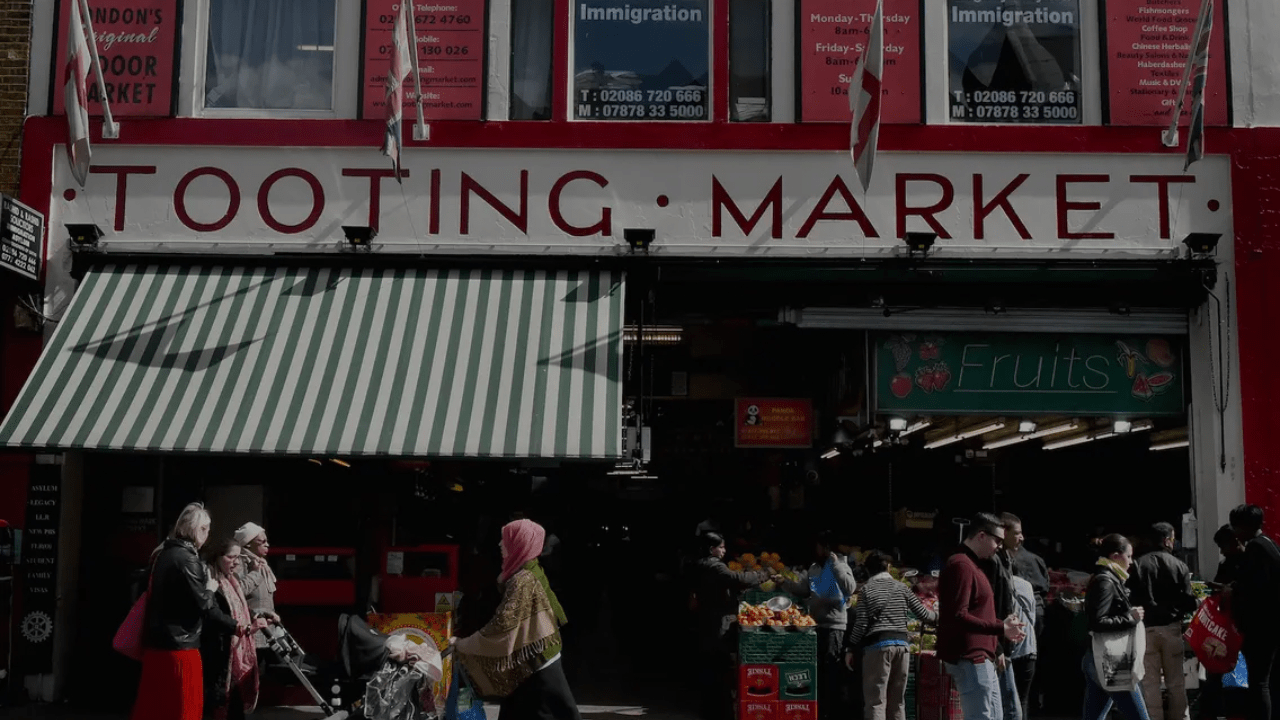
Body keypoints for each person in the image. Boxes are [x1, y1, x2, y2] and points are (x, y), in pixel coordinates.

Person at [455, 519, 582, 720]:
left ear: (520, 544)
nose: (499, 545)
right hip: (532, 662)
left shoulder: (523, 580)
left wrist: (463, 646)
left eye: (505, 540)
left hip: (537, 668)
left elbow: (503, 627)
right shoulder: (529, 570)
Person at [130, 502, 219, 720]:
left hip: (157, 646)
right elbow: (203, 605)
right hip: (181, 649)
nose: (208, 534)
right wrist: (211, 588)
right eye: (205, 528)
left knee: (154, 710)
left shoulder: (162, 554)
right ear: (197, 529)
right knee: (184, 710)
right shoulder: (188, 558)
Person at [937, 513, 1025, 720]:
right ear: (981, 536)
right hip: (971, 658)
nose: (999, 547)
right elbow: (958, 616)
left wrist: (1002, 627)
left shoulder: (970, 564)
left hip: (981, 658)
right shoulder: (961, 565)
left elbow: (971, 614)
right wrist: (1000, 628)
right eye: (997, 540)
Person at [846, 551, 938, 720]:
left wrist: (851, 648)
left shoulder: (866, 590)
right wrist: (940, 617)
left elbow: (861, 625)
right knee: (897, 703)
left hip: (878, 647)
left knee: (876, 702)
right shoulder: (902, 587)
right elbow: (924, 615)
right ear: (888, 568)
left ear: (867, 570)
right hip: (903, 647)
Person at [689, 531, 767, 720]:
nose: (724, 550)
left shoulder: (697, 565)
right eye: (721, 547)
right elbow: (737, 578)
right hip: (716, 625)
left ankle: (708, 710)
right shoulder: (714, 566)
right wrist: (762, 575)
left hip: (704, 622)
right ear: (711, 549)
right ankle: (719, 712)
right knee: (720, 671)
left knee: (708, 671)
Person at [782, 530, 858, 720]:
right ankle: (821, 710)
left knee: (832, 670)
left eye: (818, 546)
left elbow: (850, 587)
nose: (815, 549)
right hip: (816, 627)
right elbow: (804, 589)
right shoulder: (814, 568)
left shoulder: (841, 565)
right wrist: (784, 583)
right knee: (820, 671)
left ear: (826, 548)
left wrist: (836, 565)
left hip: (834, 627)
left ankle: (833, 712)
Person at [1128, 522, 1199, 720]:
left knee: (1150, 683)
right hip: (1171, 629)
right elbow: (1187, 602)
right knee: (1176, 682)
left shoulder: (1138, 564)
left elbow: (1130, 598)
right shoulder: (1180, 565)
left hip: (1146, 631)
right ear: (1168, 540)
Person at [1082, 534, 1150, 720]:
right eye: (1128, 556)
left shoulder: (1108, 578)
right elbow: (1098, 621)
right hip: (1111, 661)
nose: (1131, 561)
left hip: (1098, 658)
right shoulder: (1106, 581)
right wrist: (1130, 617)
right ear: (1115, 556)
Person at [201, 538, 267, 720]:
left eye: (238, 557)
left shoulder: (231, 579)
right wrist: (242, 628)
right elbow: (213, 614)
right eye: (232, 557)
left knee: (234, 705)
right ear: (218, 557)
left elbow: (239, 606)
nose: (237, 562)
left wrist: (258, 614)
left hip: (234, 653)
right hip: (219, 653)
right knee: (219, 705)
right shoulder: (210, 580)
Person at [1229, 504, 1280, 720]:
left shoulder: (1255, 548)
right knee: (1268, 680)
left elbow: (1253, 588)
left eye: (1235, 526)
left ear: (1244, 526)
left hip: (1261, 626)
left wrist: (1232, 591)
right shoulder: (1270, 544)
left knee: (1258, 682)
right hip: (1272, 624)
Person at [1001, 512, 1049, 719]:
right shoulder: (1028, 570)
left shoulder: (1014, 577)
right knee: (1021, 695)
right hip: (1027, 638)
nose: (1022, 538)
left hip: (1013, 641)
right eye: (1018, 533)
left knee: (1008, 696)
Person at [1200, 525, 1247, 720]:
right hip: (1226, 625)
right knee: (1222, 671)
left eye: (1223, 546)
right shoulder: (1226, 563)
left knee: (1238, 672)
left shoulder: (1249, 563)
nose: (1221, 551)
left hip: (1243, 626)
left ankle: (1238, 709)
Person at [233, 522, 280, 659]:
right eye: (262, 542)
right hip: (250, 633)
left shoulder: (262, 564)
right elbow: (236, 592)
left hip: (267, 633)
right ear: (248, 544)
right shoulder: (239, 563)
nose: (267, 545)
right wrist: (255, 573)